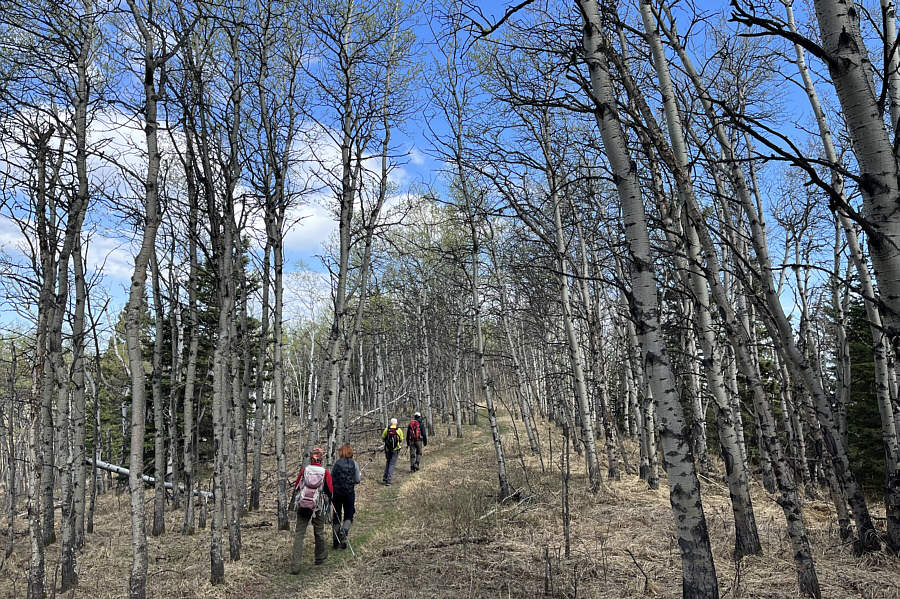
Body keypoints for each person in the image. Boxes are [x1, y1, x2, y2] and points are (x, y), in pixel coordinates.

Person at [289, 447, 333, 574]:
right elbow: (330, 490)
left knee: (299, 534)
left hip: (303, 505)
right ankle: (319, 557)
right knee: (319, 531)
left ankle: (295, 566)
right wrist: (329, 501)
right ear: (321, 458)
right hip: (317, 506)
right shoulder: (325, 472)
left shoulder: (305, 470)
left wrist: (294, 504)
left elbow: (297, 486)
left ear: (311, 458)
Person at [331, 444, 361, 549]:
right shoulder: (355, 464)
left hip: (336, 494)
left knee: (336, 516)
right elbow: (357, 480)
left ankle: (336, 542)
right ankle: (344, 532)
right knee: (349, 514)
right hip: (349, 493)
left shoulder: (337, 464)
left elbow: (331, 478)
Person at [381, 417, 404, 485]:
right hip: (396, 449)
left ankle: (385, 477)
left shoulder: (387, 429)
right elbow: (401, 439)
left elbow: (383, 437)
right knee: (392, 464)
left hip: (387, 449)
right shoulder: (399, 430)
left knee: (388, 462)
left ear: (391, 423)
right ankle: (388, 480)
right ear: (396, 423)